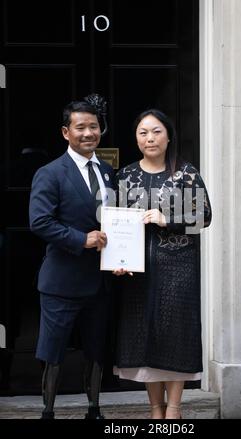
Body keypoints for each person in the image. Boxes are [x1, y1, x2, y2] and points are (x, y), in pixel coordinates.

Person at [113, 109, 212, 419]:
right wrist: (117, 259)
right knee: (145, 339)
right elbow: (115, 222)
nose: (150, 138)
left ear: (168, 136)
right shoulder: (126, 175)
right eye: (143, 133)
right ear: (136, 139)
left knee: (175, 336)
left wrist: (167, 220)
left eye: (156, 131)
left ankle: (174, 409)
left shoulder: (185, 173)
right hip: (137, 270)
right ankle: (155, 409)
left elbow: (204, 217)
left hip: (178, 268)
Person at [29, 94, 114, 419]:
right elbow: (40, 222)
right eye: (81, 127)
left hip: (100, 282)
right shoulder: (50, 173)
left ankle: (94, 409)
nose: (88, 133)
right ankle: (48, 412)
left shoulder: (107, 172)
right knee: (54, 351)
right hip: (62, 281)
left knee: (96, 348)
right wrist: (82, 239)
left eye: (93, 126)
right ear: (66, 132)